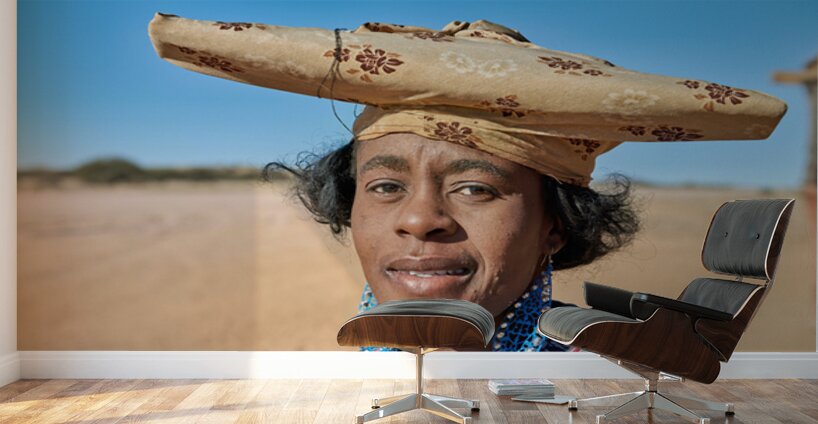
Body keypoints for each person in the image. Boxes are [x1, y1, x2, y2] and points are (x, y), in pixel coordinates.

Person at [148, 14, 788, 351]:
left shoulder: (582, 388)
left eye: (476, 188)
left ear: (556, 226)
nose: (421, 220)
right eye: (385, 187)